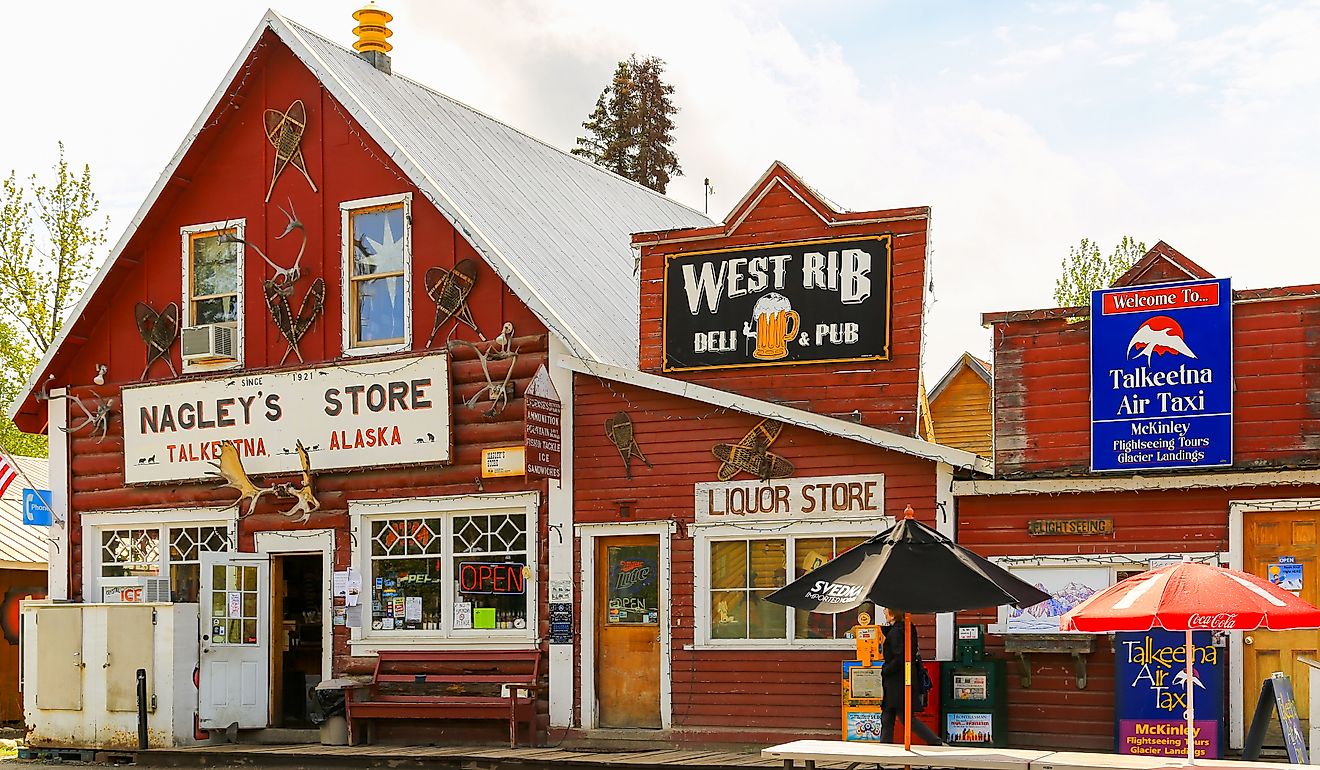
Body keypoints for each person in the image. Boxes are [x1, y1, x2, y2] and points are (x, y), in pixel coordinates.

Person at [879, 607, 945, 745]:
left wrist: (885, 669)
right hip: (902, 679)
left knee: (905, 717)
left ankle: (935, 741)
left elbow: (900, 656)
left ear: (893, 613)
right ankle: (884, 746)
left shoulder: (897, 632)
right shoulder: (907, 628)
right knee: (888, 716)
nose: (884, 613)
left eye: (886, 610)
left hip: (897, 681)